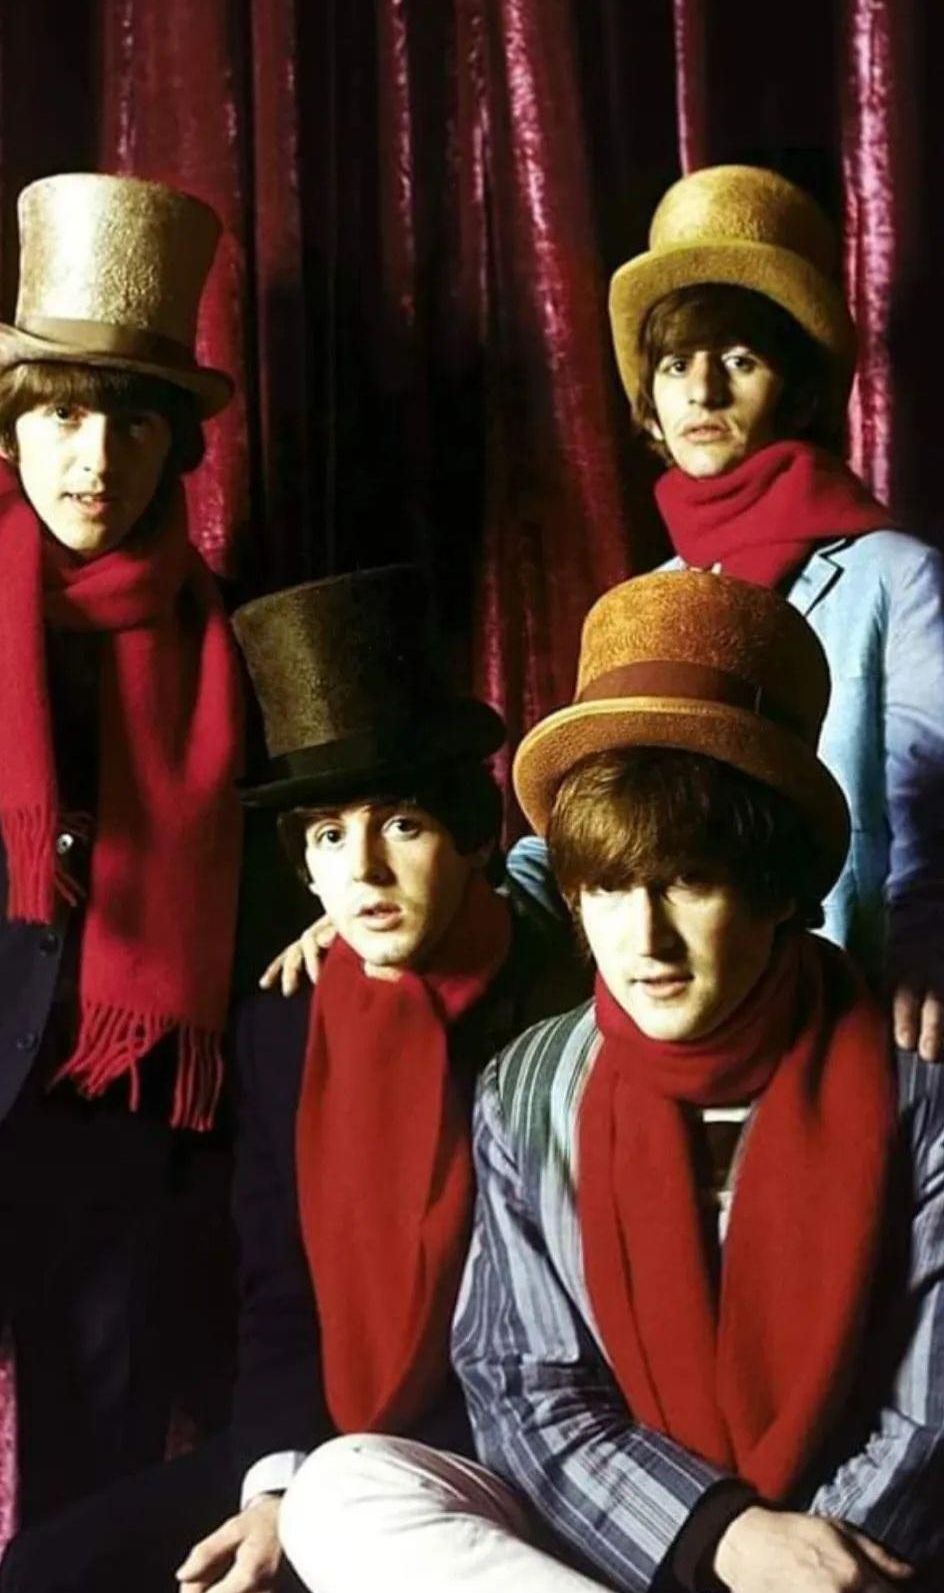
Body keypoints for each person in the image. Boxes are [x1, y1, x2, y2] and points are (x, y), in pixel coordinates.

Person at [277, 569, 944, 1593]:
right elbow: (524, 1385)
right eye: (608, 888)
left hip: (848, 1560)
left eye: (689, 881)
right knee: (340, 1487)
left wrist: (808, 1559)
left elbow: (927, 1413)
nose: (645, 940)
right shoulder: (529, 1085)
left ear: (774, 890)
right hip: (624, 1544)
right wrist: (719, 1536)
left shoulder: (912, 1089)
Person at [0, 566, 580, 1593]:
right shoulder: (284, 1023)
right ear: (303, 867)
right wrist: (277, 1481)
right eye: (328, 835)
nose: (363, 870)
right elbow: (280, 1292)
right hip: (319, 1432)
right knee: (49, 1567)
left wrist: (320, 1505)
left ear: (466, 834)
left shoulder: (556, 1004)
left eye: (401, 824)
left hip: (501, 1448)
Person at [511, 163, 944, 1063]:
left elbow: (930, 807)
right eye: (677, 364)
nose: (702, 393)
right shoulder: (650, 600)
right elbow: (588, 821)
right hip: (686, 1036)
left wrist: (926, 946)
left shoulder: (896, 577)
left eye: (739, 361)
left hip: (856, 1021)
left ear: (797, 388)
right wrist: (417, 914)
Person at [0, 172, 243, 1525]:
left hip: (116, 1107)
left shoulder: (229, 643)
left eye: (134, 423)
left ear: (174, 448)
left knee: (93, 1475)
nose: (96, 458)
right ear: (15, 427)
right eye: (64, 415)